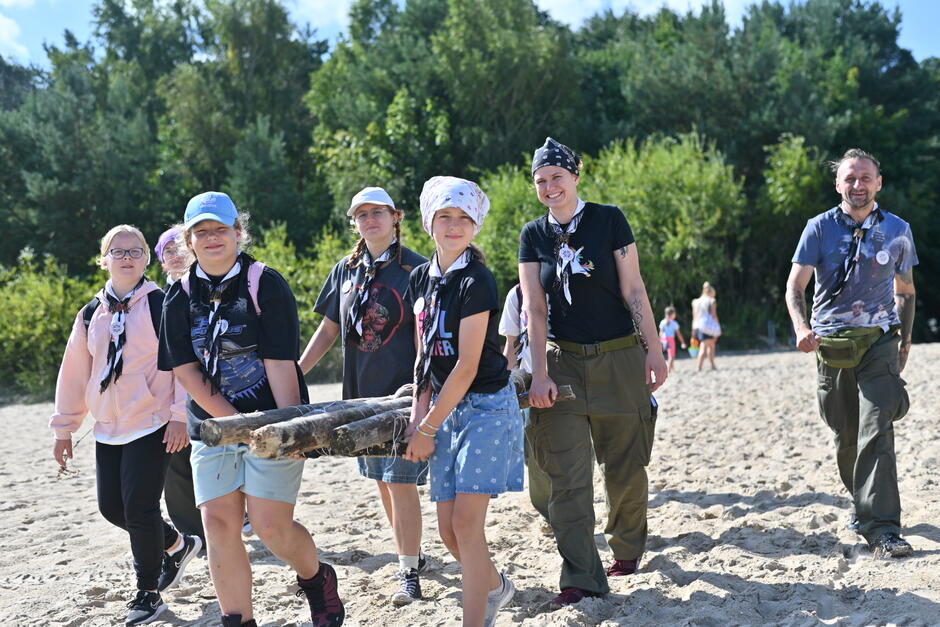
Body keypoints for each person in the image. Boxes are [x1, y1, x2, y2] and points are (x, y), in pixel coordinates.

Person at [158, 192, 344, 626]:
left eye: (220, 229)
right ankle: (237, 620)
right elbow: (185, 371)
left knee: (270, 526)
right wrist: (229, 423)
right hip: (211, 423)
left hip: (272, 420)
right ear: (189, 241)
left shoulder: (265, 283)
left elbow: (281, 364)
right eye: (201, 232)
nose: (212, 238)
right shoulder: (178, 297)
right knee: (219, 524)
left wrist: (293, 431)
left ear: (238, 233)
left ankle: (316, 579)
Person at [520, 137, 667, 607]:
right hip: (561, 364)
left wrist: (654, 350)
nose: (549, 187)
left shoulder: (609, 219)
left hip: (620, 357)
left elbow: (635, 290)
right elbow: (534, 309)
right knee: (567, 476)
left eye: (557, 177)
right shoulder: (532, 235)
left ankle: (626, 546)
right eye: (541, 181)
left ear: (575, 176)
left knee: (625, 467)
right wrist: (538, 372)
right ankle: (581, 575)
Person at [50, 224, 201, 626]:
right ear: (105, 259)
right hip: (108, 426)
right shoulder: (90, 314)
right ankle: (177, 543)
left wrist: (179, 415)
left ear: (147, 258)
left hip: (152, 422)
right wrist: (64, 428)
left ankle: (148, 593)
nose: (127, 257)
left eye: (135, 250)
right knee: (111, 507)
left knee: (139, 507)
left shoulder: (161, 304)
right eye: (118, 252)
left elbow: (183, 364)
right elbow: (75, 374)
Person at [402, 176, 524, 627]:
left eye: (463, 218)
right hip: (443, 411)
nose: (454, 226)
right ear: (429, 222)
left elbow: (467, 366)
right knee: (450, 533)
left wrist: (429, 427)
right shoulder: (420, 278)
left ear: (475, 226)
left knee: (469, 528)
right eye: (445, 217)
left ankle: (477, 617)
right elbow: (424, 359)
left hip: (487, 408)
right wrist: (419, 420)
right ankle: (496, 587)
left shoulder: (478, 280)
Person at [300, 186, 429, 606]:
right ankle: (411, 553)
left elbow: (425, 338)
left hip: (403, 396)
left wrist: (420, 391)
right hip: (359, 396)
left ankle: (409, 572)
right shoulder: (346, 269)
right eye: (362, 214)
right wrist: (297, 372)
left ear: (396, 217)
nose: (370, 219)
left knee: (401, 481)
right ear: (354, 221)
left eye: (378, 212)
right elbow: (328, 330)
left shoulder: (418, 269)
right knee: (382, 482)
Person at [785, 148, 917, 558]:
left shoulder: (898, 229)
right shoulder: (818, 228)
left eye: (865, 178)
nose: (857, 185)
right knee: (846, 435)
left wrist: (905, 342)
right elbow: (795, 287)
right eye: (849, 178)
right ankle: (863, 505)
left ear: (879, 182)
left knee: (876, 430)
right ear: (837, 184)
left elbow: (906, 291)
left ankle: (883, 529)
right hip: (831, 346)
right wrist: (802, 328)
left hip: (879, 342)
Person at [154, 227, 207, 547]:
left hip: (211, 386)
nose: (174, 255)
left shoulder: (208, 288)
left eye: (178, 247)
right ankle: (192, 533)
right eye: (166, 251)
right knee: (176, 464)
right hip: (171, 394)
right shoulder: (157, 298)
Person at [498, 284, 551, 534]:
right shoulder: (517, 295)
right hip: (531, 386)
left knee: (579, 453)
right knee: (534, 457)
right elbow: (511, 345)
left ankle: (570, 512)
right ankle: (549, 513)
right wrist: (504, 390)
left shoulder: (571, 281)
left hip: (572, 379)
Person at [691, 282, 720, 371]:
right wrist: (718, 326)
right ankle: (699, 366)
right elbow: (714, 315)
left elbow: (694, 316)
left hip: (698, 326)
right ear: (711, 292)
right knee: (705, 346)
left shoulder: (696, 301)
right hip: (709, 326)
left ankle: (712, 365)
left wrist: (693, 329)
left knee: (710, 345)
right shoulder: (711, 301)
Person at [658, 306, 687, 373]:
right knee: (672, 356)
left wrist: (660, 340)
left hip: (664, 340)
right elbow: (679, 334)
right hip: (670, 340)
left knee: (669, 354)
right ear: (672, 314)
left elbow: (661, 332)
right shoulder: (674, 323)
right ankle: (669, 370)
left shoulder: (662, 322)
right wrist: (682, 342)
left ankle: (672, 368)